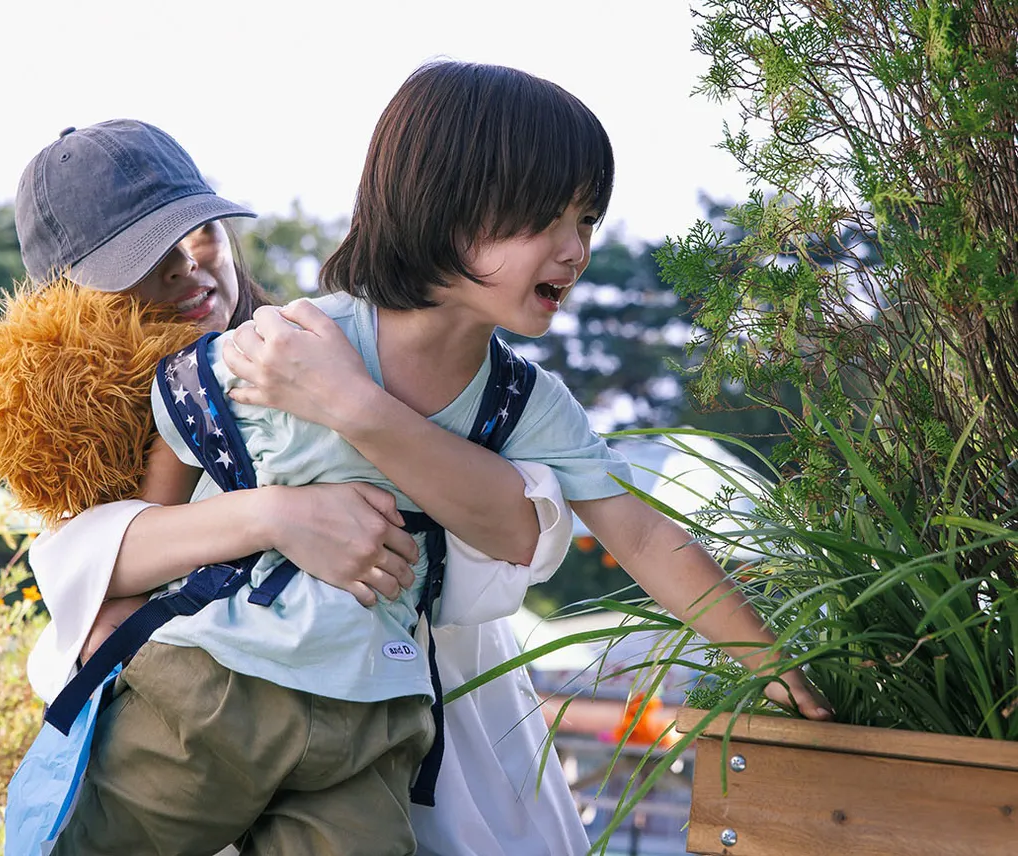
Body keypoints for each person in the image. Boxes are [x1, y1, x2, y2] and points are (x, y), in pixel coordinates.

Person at [65, 59, 827, 854]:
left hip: (372, 728)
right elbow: (147, 520)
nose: (576, 251)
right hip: (219, 694)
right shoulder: (288, 345)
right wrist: (119, 623)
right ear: (445, 208)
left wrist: (772, 662)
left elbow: (641, 536)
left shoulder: (523, 403)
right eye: (547, 219)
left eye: (588, 220)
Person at [0, 118, 589, 856]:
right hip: (206, 731)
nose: (188, 267)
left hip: (405, 719)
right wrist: (276, 514)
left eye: (198, 233)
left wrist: (350, 421)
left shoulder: (317, 347)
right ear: (68, 300)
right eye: (139, 257)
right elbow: (88, 559)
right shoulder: (94, 433)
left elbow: (524, 532)